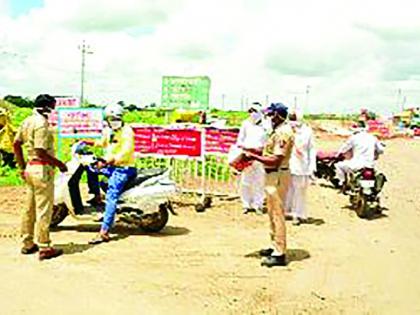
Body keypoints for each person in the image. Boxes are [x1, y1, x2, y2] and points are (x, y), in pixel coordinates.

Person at [13, 94, 68, 260]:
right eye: (52, 106)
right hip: (42, 170)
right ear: (47, 107)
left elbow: (16, 144)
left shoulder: (27, 121)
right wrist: (59, 164)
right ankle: (44, 246)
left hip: (30, 168)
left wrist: (22, 167)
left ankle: (27, 243)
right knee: (44, 209)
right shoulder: (41, 123)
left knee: (29, 209)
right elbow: (40, 152)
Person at [245, 102, 294, 267]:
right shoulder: (277, 131)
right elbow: (269, 153)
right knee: (272, 213)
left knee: (277, 214)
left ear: (278, 115)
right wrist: (254, 153)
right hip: (273, 176)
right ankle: (274, 245)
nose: (268, 118)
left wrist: (254, 157)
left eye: (271, 115)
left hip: (278, 174)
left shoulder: (283, 133)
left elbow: (275, 160)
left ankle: (280, 253)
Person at [88, 103, 137, 244]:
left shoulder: (127, 131)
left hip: (123, 168)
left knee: (111, 195)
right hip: (111, 166)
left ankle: (104, 231)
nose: (113, 120)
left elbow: (126, 151)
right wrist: (87, 142)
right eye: (111, 118)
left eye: (116, 118)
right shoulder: (108, 130)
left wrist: (109, 160)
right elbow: (102, 142)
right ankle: (98, 199)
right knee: (91, 170)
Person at [236, 102, 269, 214]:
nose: (252, 114)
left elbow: (269, 141)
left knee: (259, 181)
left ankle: (258, 204)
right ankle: (246, 204)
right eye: (250, 111)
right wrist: (245, 150)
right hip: (247, 155)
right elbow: (240, 140)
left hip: (260, 157)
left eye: (254, 111)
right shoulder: (245, 124)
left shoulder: (266, 125)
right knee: (245, 180)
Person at [286, 112, 317, 225]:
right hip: (288, 165)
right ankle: (287, 211)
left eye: (294, 119)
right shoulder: (287, 129)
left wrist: (312, 166)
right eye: (291, 119)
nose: (292, 122)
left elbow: (312, 149)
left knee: (300, 191)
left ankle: (297, 214)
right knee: (288, 190)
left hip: (302, 165)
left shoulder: (307, 132)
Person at [335, 121, 384, 188]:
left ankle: (342, 183)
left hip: (357, 165)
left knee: (338, 166)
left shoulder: (353, 138)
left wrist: (337, 154)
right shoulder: (373, 138)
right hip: (370, 165)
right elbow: (381, 150)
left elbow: (344, 149)